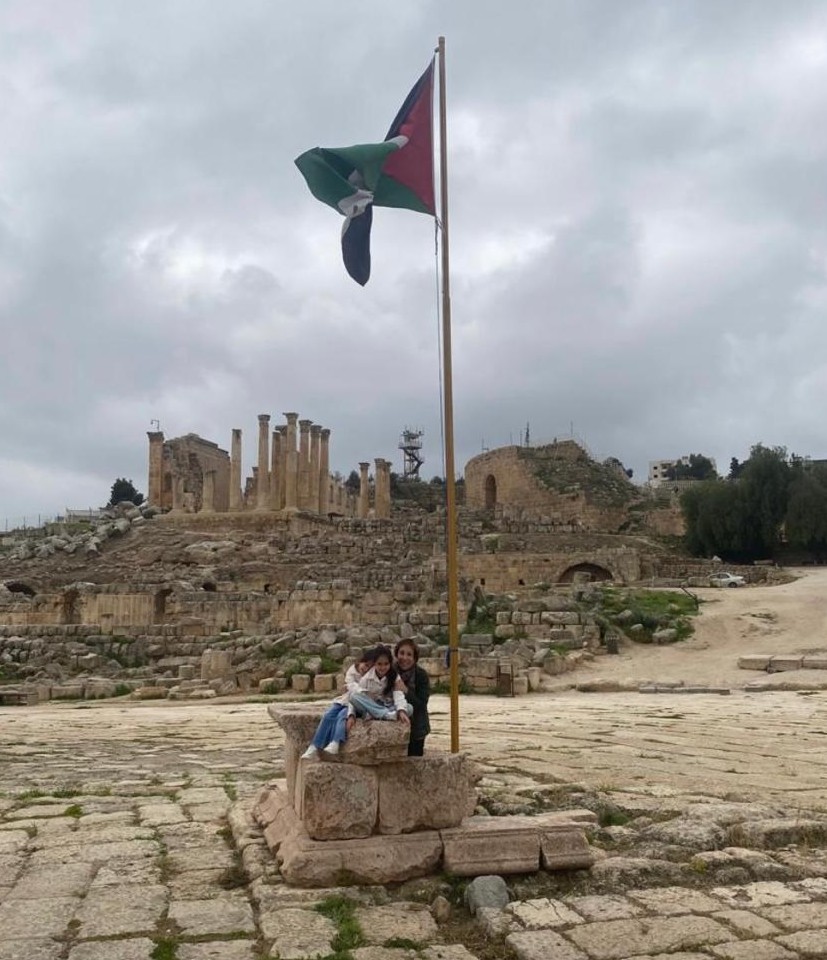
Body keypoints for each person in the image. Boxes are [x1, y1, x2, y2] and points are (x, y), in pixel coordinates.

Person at [301, 648, 377, 759]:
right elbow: (351, 686)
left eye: (369, 668)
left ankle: (336, 742)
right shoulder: (352, 671)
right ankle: (314, 746)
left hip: (356, 705)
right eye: (366, 665)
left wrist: (357, 692)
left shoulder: (369, 677)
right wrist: (358, 690)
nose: (366, 669)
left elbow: (359, 693)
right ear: (361, 661)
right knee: (328, 715)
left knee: (342, 716)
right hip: (344, 700)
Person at [347, 644, 412, 725]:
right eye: (379, 664)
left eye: (386, 664)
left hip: (388, 706)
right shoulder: (367, 678)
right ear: (375, 664)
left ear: (390, 663)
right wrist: (351, 715)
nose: (383, 667)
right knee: (353, 697)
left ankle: (378, 714)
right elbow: (357, 696)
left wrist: (401, 711)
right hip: (371, 705)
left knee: (409, 708)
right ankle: (385, 715)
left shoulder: (394, 676)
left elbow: (399, 695)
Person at [394, 638, 431, 756]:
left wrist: (406, 691)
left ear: (415, 658)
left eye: (409, 654)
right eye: (402, 653)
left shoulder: (421, 675)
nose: (404, 658)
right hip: (393, 726)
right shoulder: (390, 671)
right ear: (396, 654)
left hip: (416, 729)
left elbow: (421, 704)